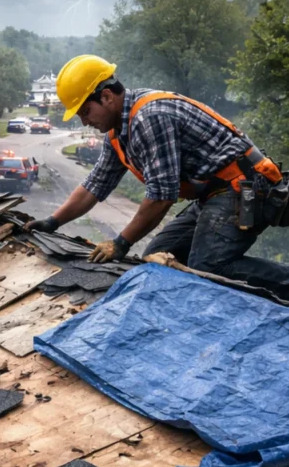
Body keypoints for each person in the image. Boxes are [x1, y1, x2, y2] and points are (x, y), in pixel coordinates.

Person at [25, 55, 289, 295]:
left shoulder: (149, 118)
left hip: (244, 187)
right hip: (216, 192)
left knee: (211, 266)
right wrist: (52, 222)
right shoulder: (119, 132)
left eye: (85, 111)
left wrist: (120, 243)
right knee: (160, 256)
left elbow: (162, 196)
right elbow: (95, 185)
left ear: (106, 96)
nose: (84, 121)